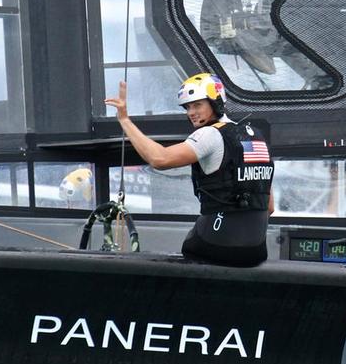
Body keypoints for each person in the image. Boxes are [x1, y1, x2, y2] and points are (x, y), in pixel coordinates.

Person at [105, 73, 274, 266]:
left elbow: (159, 159)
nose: (190, 112)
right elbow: (269, 207)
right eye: (187, 107)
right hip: (257, 250)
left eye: (197, 105)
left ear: (216, 101)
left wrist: (125, 120)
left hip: (216, 244)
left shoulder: (209, 134)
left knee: (191, 245)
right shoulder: (257, 138)